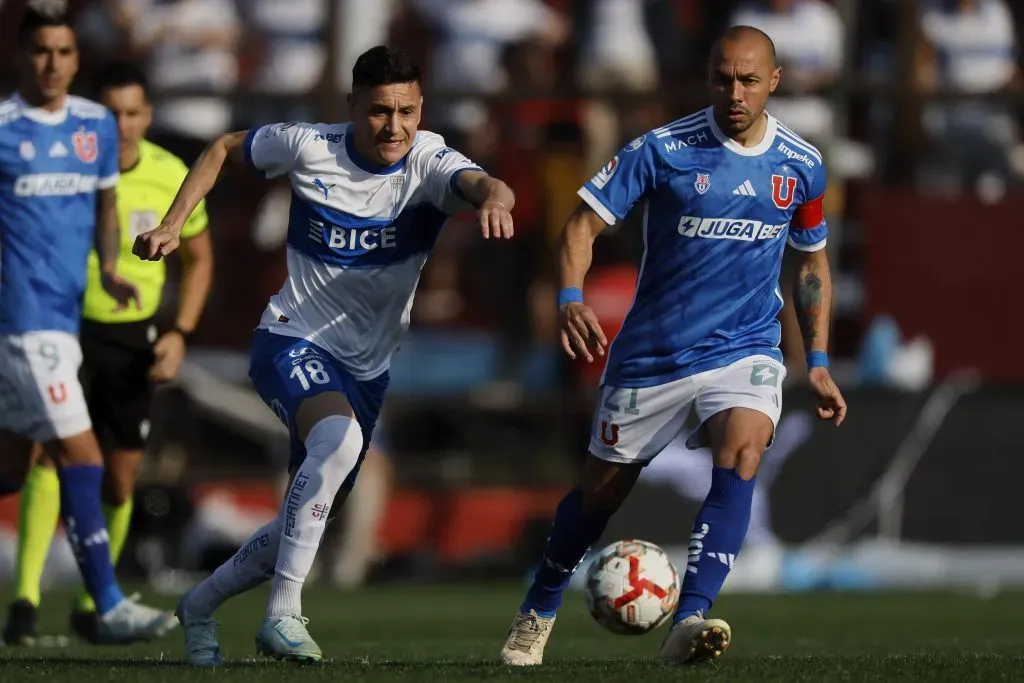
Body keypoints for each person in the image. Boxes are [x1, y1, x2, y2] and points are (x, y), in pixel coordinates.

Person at [133, 45, 516, 666]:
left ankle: (199, 605)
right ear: (351, 108)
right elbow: (225, 147)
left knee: (305, 515)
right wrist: (177, 222)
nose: (394, 127)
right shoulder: (309, 145)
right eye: (379, 112)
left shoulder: (427, 159)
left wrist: (497, 199)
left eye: (407, 111)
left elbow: (482, 182)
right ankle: (283, 614)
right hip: (292, 337)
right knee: (336, 446)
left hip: (368, 368)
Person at [499, 26, 847, 666]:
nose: (734, 91)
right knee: (599, 495)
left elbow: (810, 264)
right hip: (654, 356)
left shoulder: (802, 163)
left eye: (748, 79)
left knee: (743, 447)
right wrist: (571, 297)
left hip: (746, 345)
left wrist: (818, 362)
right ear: (707, 78)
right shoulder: (662, 148)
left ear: (774, 81)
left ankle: (690, 617)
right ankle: (540, 605)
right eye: (722, 78)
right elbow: (582, 225)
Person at [5, 61, 214, 644]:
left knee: (119, 481)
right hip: (62, 326)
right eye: (111, 113)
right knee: (50, 459)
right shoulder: (64, 164)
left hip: (131, 336)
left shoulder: (172, 173)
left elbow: (199, 260)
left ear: (147, 115)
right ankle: (24, 601)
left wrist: (181, 333)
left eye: (132, 113)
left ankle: (94, 604)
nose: (122, 125)